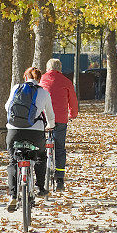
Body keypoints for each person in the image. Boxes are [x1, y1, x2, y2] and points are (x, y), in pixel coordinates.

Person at [5, 66, 55, 212]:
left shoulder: (16, 88)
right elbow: (50, 116)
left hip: (14, 132)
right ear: (39, 79)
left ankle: (13, 195)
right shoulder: (43, 93)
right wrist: (50, 126)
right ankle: (40, 187)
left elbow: (7, 106)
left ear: (25, 77)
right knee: (40, 156)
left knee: (13, 161)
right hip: (35, 133)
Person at [40, 59, 78, 191]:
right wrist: (72, 114)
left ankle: (41, 175)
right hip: (60, 118)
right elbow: (72, 100)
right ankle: (60, 179)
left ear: (47, 68)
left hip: (44, 118)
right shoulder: (66, 81)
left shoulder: (42, 79)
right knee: (60, 149)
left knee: (41, 147)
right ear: (60, 68)